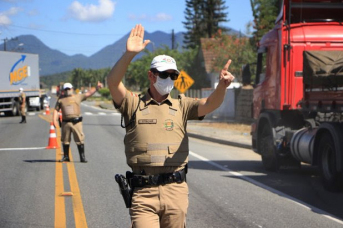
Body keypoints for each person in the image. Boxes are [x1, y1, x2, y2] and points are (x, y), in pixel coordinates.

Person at [107, 24, 235, 228]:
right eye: (164, 75)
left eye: (173, 75)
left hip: (176, 190)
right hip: (143, 192)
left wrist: (222, 86)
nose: (169, 79)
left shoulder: (182, 105)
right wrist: (129, 55)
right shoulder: (133, 104)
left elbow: (210, 104)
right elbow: (113, 83)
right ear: (151, 75)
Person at [53, 81, 103, 163]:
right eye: (65, 89)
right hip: (66, 123)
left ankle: (82, 157)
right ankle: (66, 157)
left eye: (69, 89)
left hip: (76, 123)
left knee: (80, 139)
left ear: (72, 89)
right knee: (65, 140)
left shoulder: (77, 97)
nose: (67, 90)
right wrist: (54, 120)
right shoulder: (61, 99)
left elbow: (88, 93)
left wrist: (97, 88)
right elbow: (56, 110)